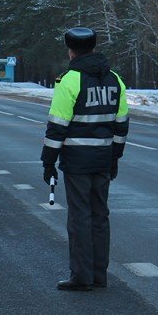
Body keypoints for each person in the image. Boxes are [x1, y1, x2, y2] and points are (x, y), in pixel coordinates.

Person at [40, 27, 129, 291]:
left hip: (77, 161)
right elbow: (121, 125)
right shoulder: (115, 80)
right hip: (103, 159)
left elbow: (57, 126)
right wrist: (114, 158)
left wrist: (48, 162)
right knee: (100, 215)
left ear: (71, 50)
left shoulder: (70, 81)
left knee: (80, 217)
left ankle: (81, 276)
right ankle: (100, 274)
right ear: (92, 48)